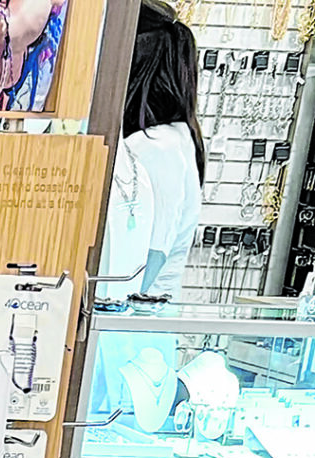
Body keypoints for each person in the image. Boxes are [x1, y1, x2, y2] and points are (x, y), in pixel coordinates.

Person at [100, 2, 206, 301]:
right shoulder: (169, 140)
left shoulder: (156, 147)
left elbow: (147, 258)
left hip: (127, 321)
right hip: (129, 319)